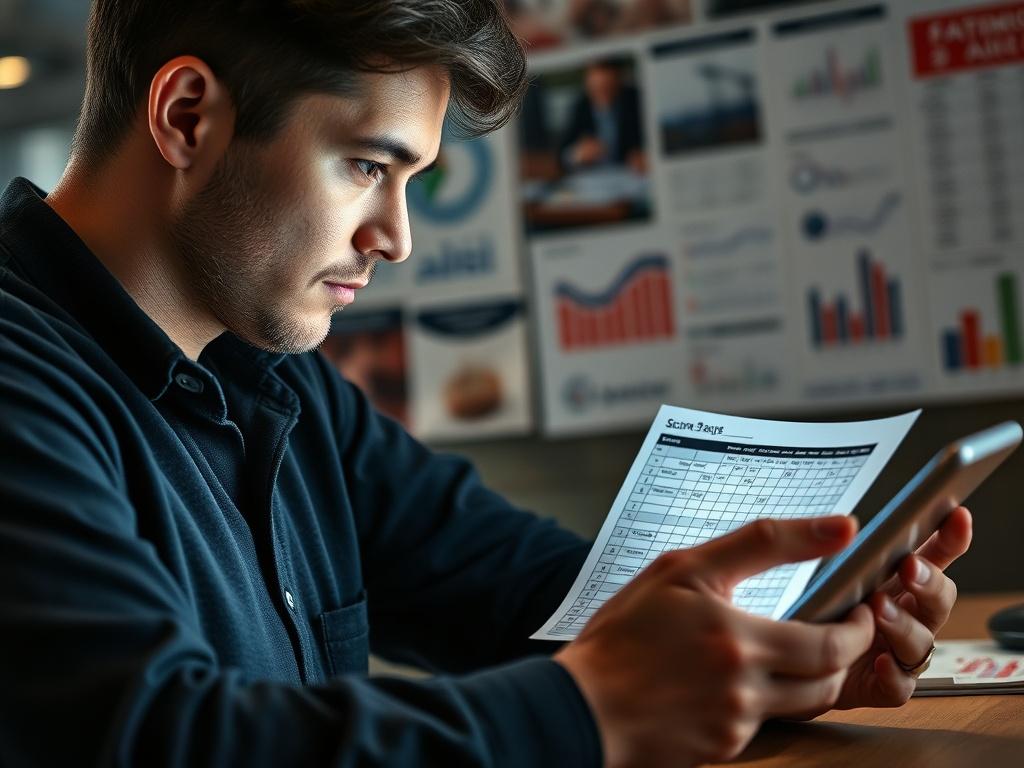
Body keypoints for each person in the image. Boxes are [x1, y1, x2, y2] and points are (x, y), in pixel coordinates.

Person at [0, 1, 971, 766]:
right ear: (187, 116)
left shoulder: (276, 384)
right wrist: (595, 709)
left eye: (410, 180)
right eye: (365, 166)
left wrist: (774, 638)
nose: (396, 238)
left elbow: (511, 586)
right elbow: (155, 737)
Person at [557, 58, 647, 175]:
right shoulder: (580, 107)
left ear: (619, 79)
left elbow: (652, 141)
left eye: (608, 87)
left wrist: (646, 155)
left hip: (632, 175)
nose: (603, 94)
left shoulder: (636, 100)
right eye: (597, 89)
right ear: (587, 83)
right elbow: (561, 155)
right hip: (594, 177)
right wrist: (576, 154)